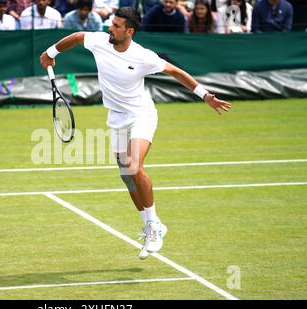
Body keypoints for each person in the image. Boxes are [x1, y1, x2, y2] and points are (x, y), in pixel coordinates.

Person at [40, 7, 231, 259]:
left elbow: (175, 71)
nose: (110, 28)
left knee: (133, 165)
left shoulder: (143, 56)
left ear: (129, 31)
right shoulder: (99, 41)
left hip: (141, 115)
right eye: (112, 23)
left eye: (117, 26)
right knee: (126, 176)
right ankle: (150, 224)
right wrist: (51, 52)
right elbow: (76, 37)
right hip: (116, 118)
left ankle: (153, 226)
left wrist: (205, 95)